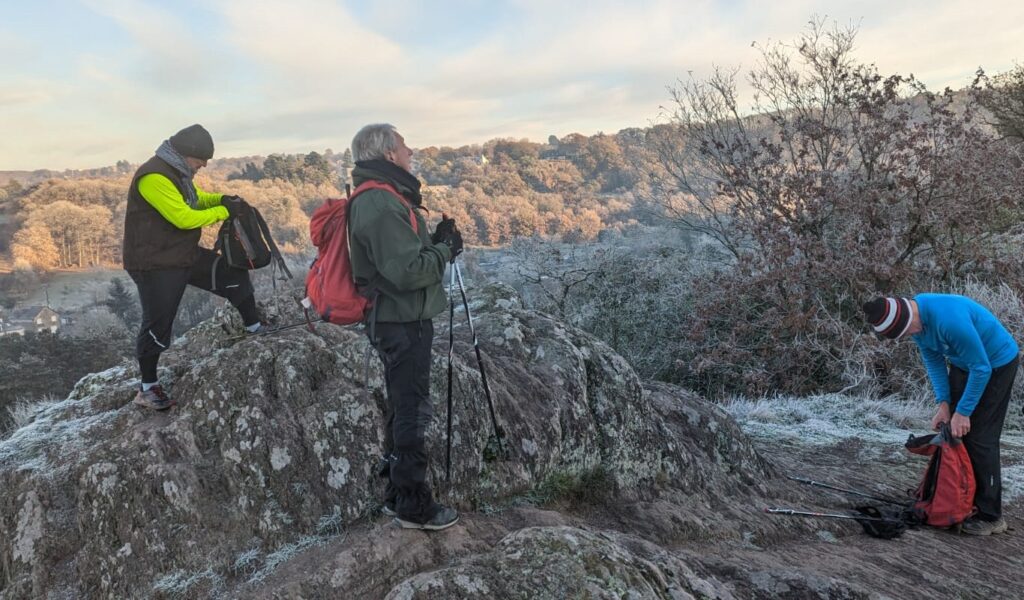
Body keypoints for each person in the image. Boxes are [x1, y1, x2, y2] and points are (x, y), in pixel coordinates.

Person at [347, 123, 463, 531]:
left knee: (404, 404)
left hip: (400, 317)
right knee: (412, 409)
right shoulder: (379, 203)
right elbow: (408, 271)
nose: (411, 151)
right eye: (404, 146)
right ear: (387, 155)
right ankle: (414, 504)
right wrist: (445, 250)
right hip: (401, 320)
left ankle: (397, 494)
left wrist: (437, 241)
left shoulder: (385, 197)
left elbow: (406, 255)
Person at [123, 124, 262, 410]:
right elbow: (184, 218)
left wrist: (222, 200)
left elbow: (196, 200)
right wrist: (224, 212)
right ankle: (147, 388)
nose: (204, 165)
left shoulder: (177, 173)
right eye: (201, 159)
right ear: (186, 154)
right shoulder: (153, 177)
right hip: (153, 263)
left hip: (180, 254)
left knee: (231, 273)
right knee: (158, 322)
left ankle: (256, 328)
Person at [863, 294, 1019, 535]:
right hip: (965, 363)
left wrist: (963, 412)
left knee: (980, 437)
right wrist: (944, 405)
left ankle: (991, 516)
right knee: (954, 433)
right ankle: (963, 500)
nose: (909, 336)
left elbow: (982, 368)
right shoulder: (918, 325)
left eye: (906, 332)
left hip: (997, 363)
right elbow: (934, 363)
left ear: (909, 318)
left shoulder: (949, 321)